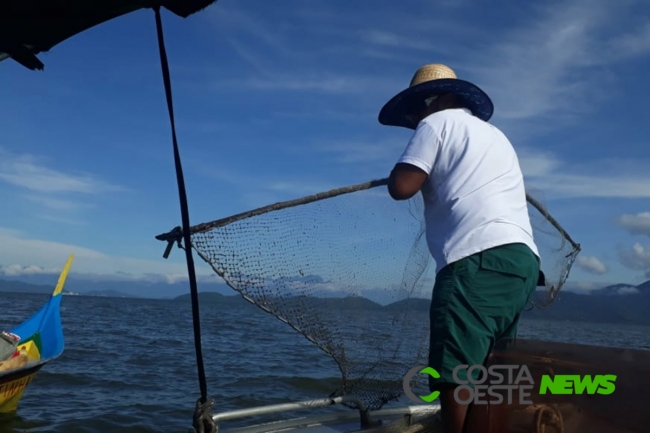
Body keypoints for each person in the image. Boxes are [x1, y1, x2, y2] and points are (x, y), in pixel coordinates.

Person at [379, 64, 540, 433]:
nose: (418, 116)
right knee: (491, 369)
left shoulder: (436, 124)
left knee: (457, 371)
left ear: (441, 100)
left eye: (421, 106)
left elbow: (401, 186)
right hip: (522, 263)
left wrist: (402, 171)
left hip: (475, 259)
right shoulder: (496, 136)